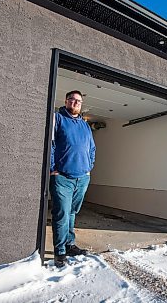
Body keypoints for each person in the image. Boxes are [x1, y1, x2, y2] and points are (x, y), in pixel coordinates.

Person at [50, 90, 96, 267]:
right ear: (66, 101)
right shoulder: (58, 118)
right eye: (72, 100)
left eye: (79, 101)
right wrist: (53, 169)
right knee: (61, 213)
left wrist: (89, 167)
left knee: (71, 213)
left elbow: (92, 148)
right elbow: (51, 143)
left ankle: (69, 244)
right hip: (62, 177)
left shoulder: (84, 125)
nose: (76, 103)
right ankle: (60, 251)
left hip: (82, 177)